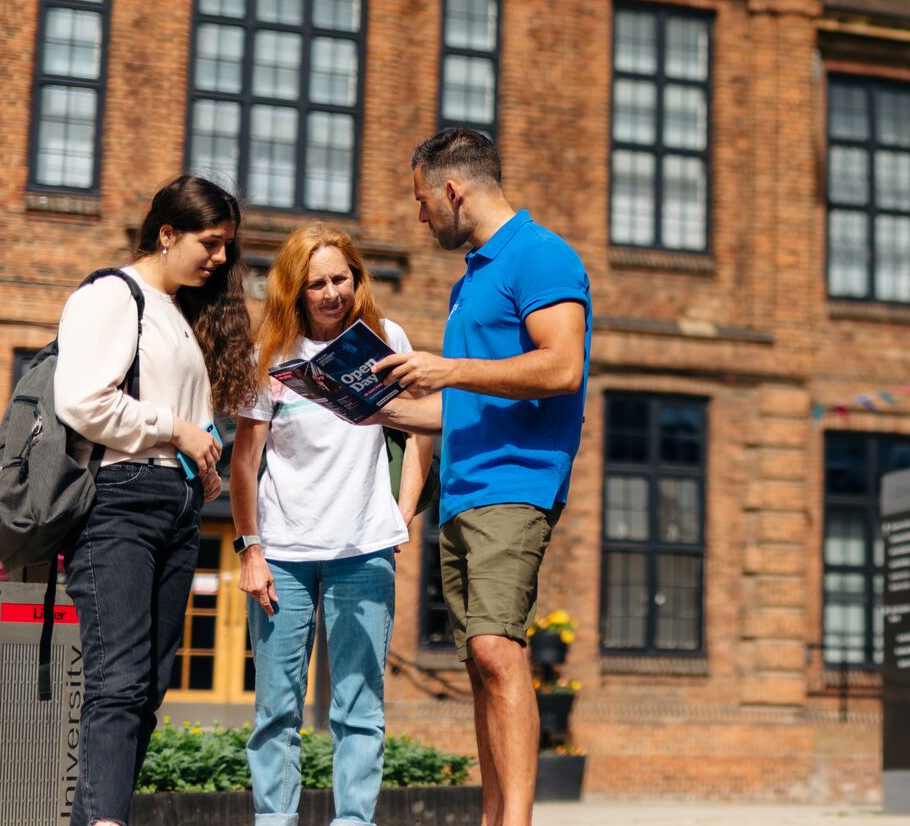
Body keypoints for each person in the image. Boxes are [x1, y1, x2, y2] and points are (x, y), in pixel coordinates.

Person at [371, 129, 589, 826]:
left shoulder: (541, 255)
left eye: (421, 201)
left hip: (515, 481)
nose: (419, 216)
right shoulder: (471, 282)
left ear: (452, 190)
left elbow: (561, 367)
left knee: (497, 648)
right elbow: (456, 403)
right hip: (463, 492)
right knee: (480, 660)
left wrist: (449, 368)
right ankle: (494, 815)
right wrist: (371, 408)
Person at [54, 176, 258, 826]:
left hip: (175, 505)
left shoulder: (177, 313)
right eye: (211, 242)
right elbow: (83, 400)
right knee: (118, 681)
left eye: (227, 246)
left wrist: (203, 462)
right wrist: (176, 428)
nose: (221, 259)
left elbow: (189, 422)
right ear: (167, 233)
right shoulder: (112, 296)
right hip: (120, 501)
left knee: (148, 688)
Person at [231, 224, 434, 826]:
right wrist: (250, 549)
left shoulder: (385, 339)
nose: (329, 293)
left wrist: (400, 512)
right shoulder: (269, 354)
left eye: (339, 279)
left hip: (363, 550)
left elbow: (423, 426)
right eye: (315, 283)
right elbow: (245, 461)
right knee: (276, 710)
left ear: (357, 279)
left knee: (358, 706)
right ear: (294, 289)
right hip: (283, 553)